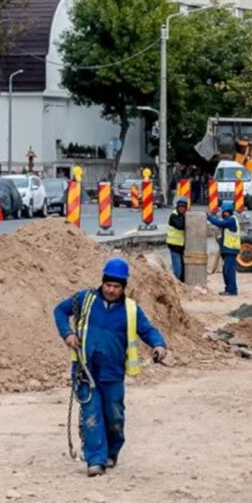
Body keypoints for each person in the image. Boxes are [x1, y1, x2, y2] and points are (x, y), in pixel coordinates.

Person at [52, 259, 168, 477]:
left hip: (112, 373)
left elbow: (148, 330)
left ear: (123, 287)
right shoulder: (84, 299)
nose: (111, 290)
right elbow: (59, 311)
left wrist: (159, 345)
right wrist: (67, 333)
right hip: (85, 371)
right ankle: (96, 460)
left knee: (114, 416)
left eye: (116, 286)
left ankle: (111, 451)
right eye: (108, 285)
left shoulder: (131, 310)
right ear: (102, 283)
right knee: (91, 415)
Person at [206, 203, 241, 296]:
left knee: (229, 271)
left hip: (231, 250)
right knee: (226, 271)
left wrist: (209, 217)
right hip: (228, 250)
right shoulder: (229, 220)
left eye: (225, 212)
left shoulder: (231, 220)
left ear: (229, 212)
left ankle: (232, 290)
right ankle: (228, 289)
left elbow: (220, 223)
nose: (224, 214)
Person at [166, 197, 188, 281]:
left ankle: (181, 286)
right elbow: (180, 226)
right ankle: (176, 285)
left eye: (183, 207)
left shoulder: (183, 216)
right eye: (180, 207)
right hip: (174, 246)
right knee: (177, 270)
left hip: (181, 246)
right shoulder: (173, 216)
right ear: (177, 207)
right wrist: (186, 217)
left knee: (183, 271)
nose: (182, 209)